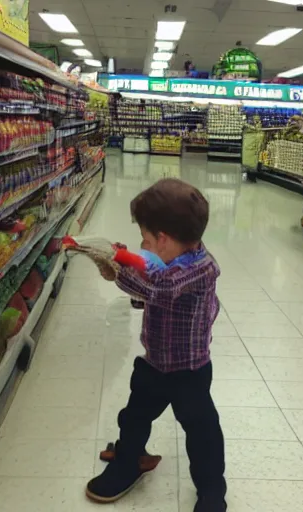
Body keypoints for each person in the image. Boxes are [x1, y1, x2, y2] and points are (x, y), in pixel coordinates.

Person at [85, 178, 227, 512]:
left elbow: (160, 290)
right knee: (133, 417)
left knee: (202, 431)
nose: (143, 245)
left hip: (189, 372)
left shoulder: (201, 268)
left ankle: (211, 492)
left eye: (146, 240)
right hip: (154, 363)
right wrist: (123, 259)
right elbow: (151, 276)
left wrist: (117, 270)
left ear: (162, 240)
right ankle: (129, 461)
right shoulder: (168, 256)